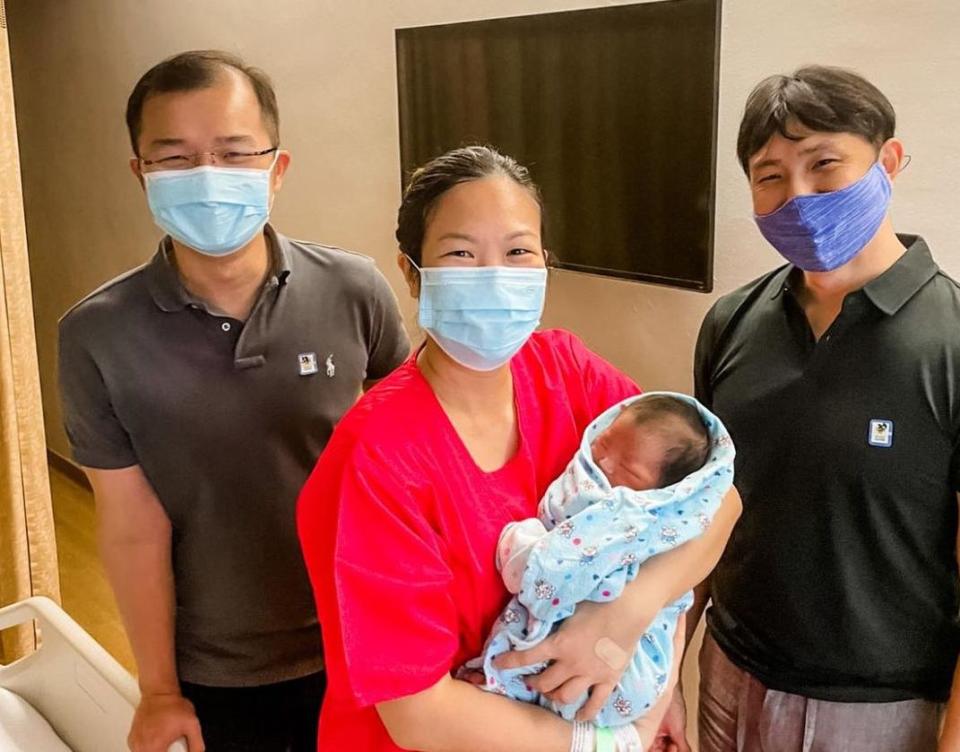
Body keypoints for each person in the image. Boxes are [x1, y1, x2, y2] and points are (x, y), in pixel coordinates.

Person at [297, 145, 742, 752]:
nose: (492, 274)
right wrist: (606, 744)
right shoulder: (377, 457)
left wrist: (627, 624)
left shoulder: (568, 375)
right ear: (409, 271)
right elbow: (418, 713)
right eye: (460, 252)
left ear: (545, 265)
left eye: (516, 252)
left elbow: (713, 504)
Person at [57, 50, 409, 752]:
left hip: (369, 642)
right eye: (176, 157)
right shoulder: (94, 335)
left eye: (233, 152)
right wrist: (159, 691)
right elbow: (130, 526)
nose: (208, 177)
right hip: (218, 669)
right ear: (142, 174)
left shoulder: (355, 290)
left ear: (277, 169)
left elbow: (413, 452)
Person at [661, 65, 960, 752]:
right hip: (729, 680)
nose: (797, 196)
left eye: (824, 164)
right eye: (770, 176)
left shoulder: (951, 342)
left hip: (884, 712)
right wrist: (666, 673)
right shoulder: (731, 323)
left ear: (888, 161)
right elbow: (701, 517)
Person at [478, 392, 734, 738]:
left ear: (666, 493)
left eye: (629, 471)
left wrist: (527, 550)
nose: (605, 465)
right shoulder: (633, 416)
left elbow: (548, 579)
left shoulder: (629, 517)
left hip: (624, 680)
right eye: (602, 444)